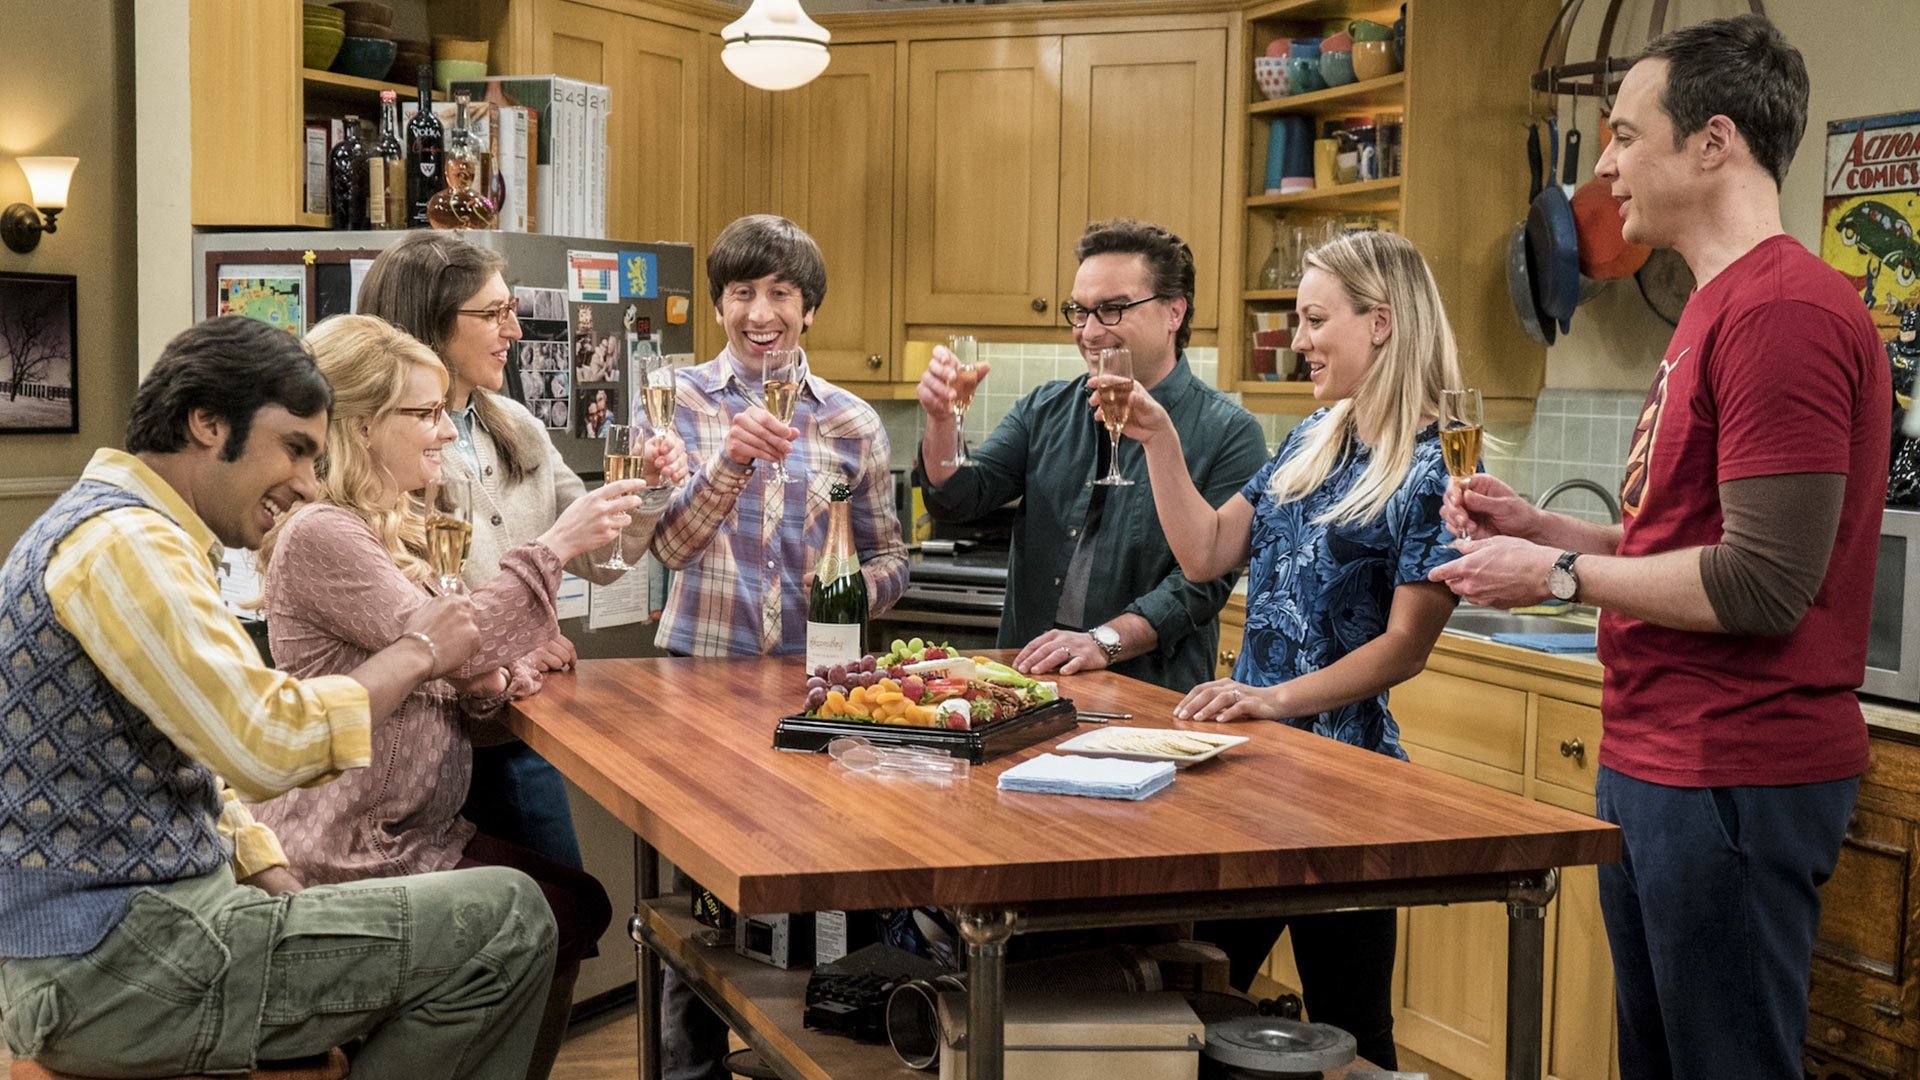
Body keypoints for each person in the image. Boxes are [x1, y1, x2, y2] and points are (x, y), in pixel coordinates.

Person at [1427, 16, 1890, 1078]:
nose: (1604, 167)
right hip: (1665, 758)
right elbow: (1684, 541)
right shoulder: (1717, 308)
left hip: (1733, 768)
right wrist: (1547, 528)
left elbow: (1763, 584)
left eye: (1627, 136)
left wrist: (1554, 575)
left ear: (1713, 142)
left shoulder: (1784, 312)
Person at [0, 315, 555, 1078]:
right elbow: (269, 744)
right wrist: (419, 652)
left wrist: (266, 865)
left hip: (114, 947)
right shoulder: (127, 545)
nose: (306, 483)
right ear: (207, 423)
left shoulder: (115, 530)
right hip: (115, 964)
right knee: (512, 918)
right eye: (293, 448)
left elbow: (196, 754)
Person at [251, 315, 665, 1078]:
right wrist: (556, 546)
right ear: (363, 426)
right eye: (427, 413)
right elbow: (454, 645)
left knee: (575, 908)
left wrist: (493, 672)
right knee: (564, 911)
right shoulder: (324, 535)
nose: (447, 431)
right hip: (351, 845)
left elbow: (462, 670)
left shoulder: (395, 529)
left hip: (414, 829)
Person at [1109, 229, 1463, 1068]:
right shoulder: (1313, 437)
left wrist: (1272, 699)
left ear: (1380, 323)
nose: (1298, 340)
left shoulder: (1437, 464)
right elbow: (1206, 551)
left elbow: (1406, 646)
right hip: (1250, 772)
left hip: (1345, 789)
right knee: (1193, 1001)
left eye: (1314, 320)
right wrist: (1160, 440)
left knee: (1353, 1024)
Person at [647, 214, 907, 1079]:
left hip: (819, 691)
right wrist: (728, 462)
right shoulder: (677, 399)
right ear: (719, 304)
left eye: (781, 294)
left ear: (809, 308)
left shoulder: (852, 421)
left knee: (821, 884)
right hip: (699, 680)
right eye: (742, 293)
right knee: (697, 896)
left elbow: (892, 558)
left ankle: (813, 1054)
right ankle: (689, 1070)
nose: (761, 313)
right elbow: (668, 547)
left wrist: (848, 588)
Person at [356, 230, 687, 874]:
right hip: (422, 749)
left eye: (511, 309)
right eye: (493, 313)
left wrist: (646, 487)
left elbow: (602, 559)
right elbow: (414, 616)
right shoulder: (383, 453)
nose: (514, 329)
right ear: (429, 323)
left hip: (517, 731)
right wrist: (521, 641)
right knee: (523, 917)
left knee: (566, 909)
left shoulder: (518, 424)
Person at [916, 218, 1267, 690]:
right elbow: (957, 498)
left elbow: (1200, 584)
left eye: (1112, 310)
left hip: (1149, 693)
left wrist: (1103, 642)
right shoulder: (1044, 408)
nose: (1090, 331)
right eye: (1080, 312)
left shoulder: (1230, 432)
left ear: (1174, 312)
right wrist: (942, 422)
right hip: (1028, 684)